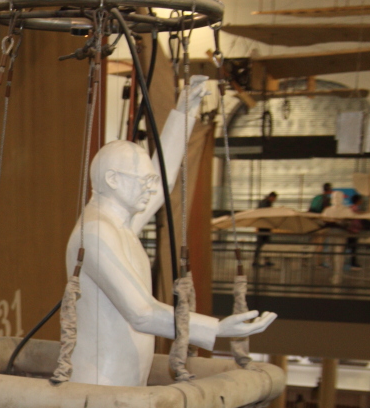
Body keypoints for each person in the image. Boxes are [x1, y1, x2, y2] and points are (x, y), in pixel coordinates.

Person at [66, 74, 277, 388]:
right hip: (101, 383)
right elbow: (141, 313)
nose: (151, 189)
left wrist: (184, 112)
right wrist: (217, 329)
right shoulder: (96, 233)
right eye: (143, 182)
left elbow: (162, 181)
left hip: (122, 378)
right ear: (113, 180)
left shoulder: (119, 225)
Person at [254, 191, 277, 267]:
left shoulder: (265, 203)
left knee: (264, 245)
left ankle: (265, 260)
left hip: (264, 227)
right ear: (271, 197)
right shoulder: (265, 203)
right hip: (263, 227)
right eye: (274, 198)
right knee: (261, 245)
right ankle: (257, 261)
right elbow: (265, 214)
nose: (274, 200)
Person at [346, 193, 364, 271]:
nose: (362, 201)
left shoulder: (351, 208)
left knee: (352, 247)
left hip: (351, 230)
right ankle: (352, 263)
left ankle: (352, 262)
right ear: (358, 201)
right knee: (353, 247)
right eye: (361, 199)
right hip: (353, 231)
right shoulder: (355, 209)